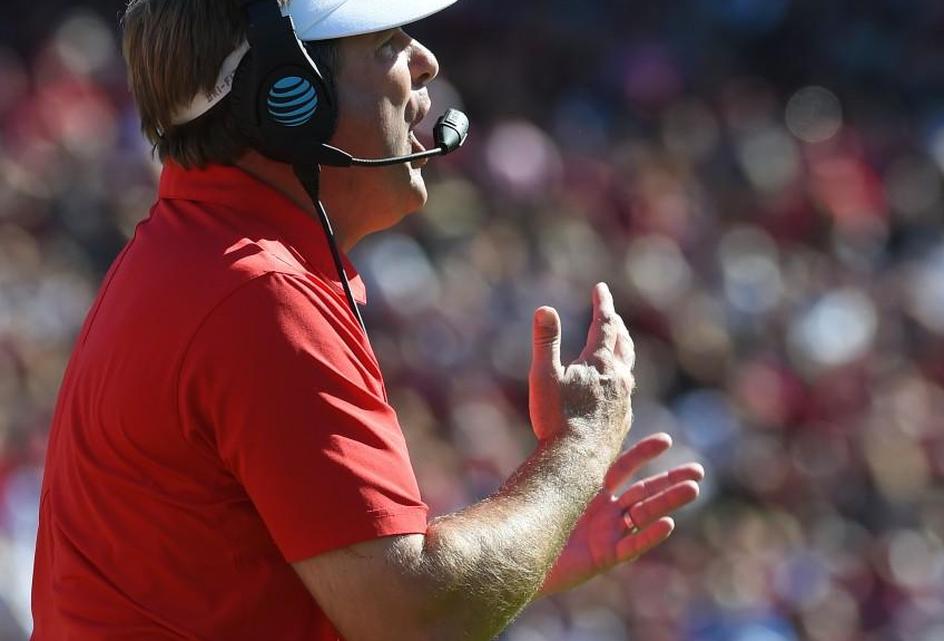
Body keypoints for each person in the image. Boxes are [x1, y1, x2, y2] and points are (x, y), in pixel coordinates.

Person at [29, 0, 704, 639]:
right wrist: (580, 445)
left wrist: (526, 548)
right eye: (385, 43)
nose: (425, 61)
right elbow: (414, 617)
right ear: (287, 97)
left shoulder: (200, 265)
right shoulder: (257, 295)